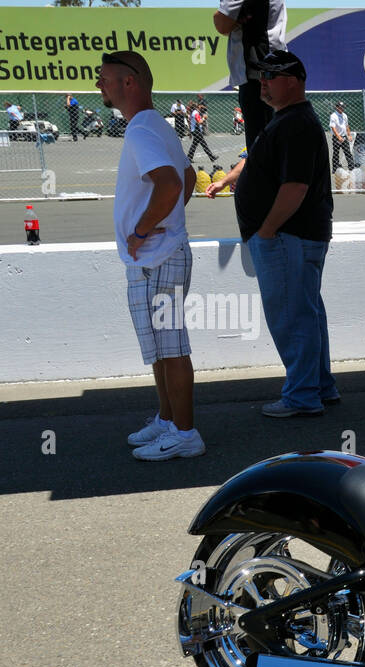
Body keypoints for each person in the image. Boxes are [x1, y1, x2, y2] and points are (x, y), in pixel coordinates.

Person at [206, 49, 338, 418]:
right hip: (293, 237)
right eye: (260, 76)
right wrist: (233, 178)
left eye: (270, 76)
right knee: (306, 314)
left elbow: (294, 187)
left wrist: (266, 230)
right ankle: (319, 387)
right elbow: (259, 159)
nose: (262, 83)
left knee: (293, 317)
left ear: (293, 81)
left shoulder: (295, 123)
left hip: (286, 238)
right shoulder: (286, 120)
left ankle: (302, 396)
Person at [96, 51, 204, 461]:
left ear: (130, 82)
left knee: (171, 346)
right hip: (154, 258)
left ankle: (186, 433)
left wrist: (143, 230)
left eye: (104, 78)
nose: (98, 85)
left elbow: (171, 184)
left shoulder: (141, 130)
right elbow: (187, 176)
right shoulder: (153, 124)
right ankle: (167, 420)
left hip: (157, 257)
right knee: (160, 347)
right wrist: (168, 221)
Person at [213, 0, 287, 148]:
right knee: (274, 146)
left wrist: (232, 19)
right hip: (271, 69)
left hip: (257, 73)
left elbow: (221, 24)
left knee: (261, 150)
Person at [329, 100, 354, 171]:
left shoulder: (344, 115)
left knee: (348, 152)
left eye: (343, 107)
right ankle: (335, 168)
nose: (342, 108)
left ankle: (351, 167)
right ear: (337, 107)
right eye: (340, 107)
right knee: (336, 153)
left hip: (344, 136)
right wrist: (338, 137)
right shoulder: (333, 116)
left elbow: (347, 126)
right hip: (337, 137)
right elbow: (333, 127)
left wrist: (349, 135)